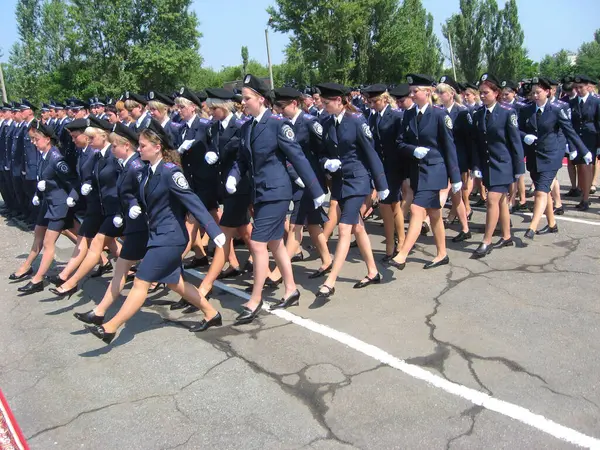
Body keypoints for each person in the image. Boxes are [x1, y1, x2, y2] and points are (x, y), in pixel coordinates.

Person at [85, 120, 226, 343]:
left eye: (142, 146)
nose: (138, 149)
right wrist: (132, 204)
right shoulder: (147, 172)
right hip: (157, 235)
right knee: (174, 283)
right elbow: (133, 193)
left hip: (170, 238)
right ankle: (212, 314)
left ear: (157, 146)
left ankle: (110, 327)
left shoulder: (170, 172)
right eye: (139, 146)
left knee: (141, 281)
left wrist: (213, 229)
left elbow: (192, 201)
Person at [226, 74, 325, 318]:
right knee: (275, 243)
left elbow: (297, 157)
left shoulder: (278, 125)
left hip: (277, 193)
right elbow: (241, 160)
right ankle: (291, 289)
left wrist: (316, 189)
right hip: (260, 193)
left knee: (258, 245)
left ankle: (255, 299)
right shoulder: (247, 127)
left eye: (247, 98)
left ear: (260, 99)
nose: (243, 102)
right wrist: (233, 175)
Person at [311, 82, 388, 299]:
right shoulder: (326, 121)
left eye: (327, 103)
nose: (324, 106)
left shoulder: (356, 120)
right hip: (339, 182)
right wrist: (327, 163)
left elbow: (371, 153)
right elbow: (321, 152)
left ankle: (331, 281)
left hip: (357, 181)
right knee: (358, 227)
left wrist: (381, 185)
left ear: (339, 101)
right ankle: (373, 271)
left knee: (344, 228)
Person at [73, 122, 148, 326]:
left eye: (114, 146)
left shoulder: (136, 166)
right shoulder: (125, 165)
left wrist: (130, 209)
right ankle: (100, 313)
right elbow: (127, 195)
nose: (111, 149)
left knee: (166, 280)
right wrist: (124, 212)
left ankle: (209, 310)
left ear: (126, 146)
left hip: (143, 228)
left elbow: (144, 196)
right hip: (134, 227)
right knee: (123, 270)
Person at [388, 74, 461, 271]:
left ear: (427, 92)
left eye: (415, 91)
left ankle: (402, 254)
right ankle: (442, 253)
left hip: (435, 171)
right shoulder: (409, 115)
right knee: (435, 214)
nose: (411, 95)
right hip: (417, 171)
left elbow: (449, 147)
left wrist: (455, 177)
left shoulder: (439, 115)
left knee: (416, 209)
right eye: (410, 92)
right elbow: (400, 143)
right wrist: (413, 150)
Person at [49, 116, 122, 297]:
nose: (87, 141)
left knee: (105, 244)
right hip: (97, 207)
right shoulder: (94, 154)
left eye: (91, 138)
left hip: (113, 209)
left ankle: (69, 280)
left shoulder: (112, 155)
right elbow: (87, 177)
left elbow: (123, 182)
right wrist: (77, 193)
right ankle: (67, 278)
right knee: (92, 241)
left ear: (103, 136)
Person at [270, 87, 332, 280]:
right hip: (296, 181)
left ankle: (278, 272)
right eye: (277, 107)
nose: (279, 110)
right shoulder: (283, 124)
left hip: (311, 181)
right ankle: (327, 259)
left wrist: (325, 170)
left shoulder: (310, 122)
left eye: (282, 106)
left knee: (295, 226)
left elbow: (324, 148)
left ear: (294, 103)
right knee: (313, 224)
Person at [11, 121, 78, 292]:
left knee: (49, 242)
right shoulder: (43, 155)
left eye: (36, 139)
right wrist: (38, 195)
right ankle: (27, 266)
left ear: (47, 139)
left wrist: (72, 197)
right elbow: (45, 180)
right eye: (32, 139)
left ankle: (38, 279)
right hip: (47, 202)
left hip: (59, 205)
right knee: (38, 235)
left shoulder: (57, 159)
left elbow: (72, 182)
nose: (33, 142)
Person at [519, 77, 589, 238]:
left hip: (551, 155)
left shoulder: (556, 110)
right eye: (533, 93)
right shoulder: (527, 110)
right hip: (534, 155)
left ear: (548, 92)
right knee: (544, 191)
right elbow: (517, 129)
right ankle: (552, 224)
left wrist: (582, 150)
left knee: (540, 191)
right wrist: (525, 136)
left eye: (538, 92)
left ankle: (532, 226)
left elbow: (569, 131)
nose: (535, 96)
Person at [471, 73, 525, 258]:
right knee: (501, 201)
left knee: (492, 200)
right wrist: (476, 165)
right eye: (481, 93)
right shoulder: (478, 114)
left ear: (496, 93)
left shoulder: (507, 112)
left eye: (486, 92)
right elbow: (477, 143)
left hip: (503, 164)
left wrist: (519, 169)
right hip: (487, 165)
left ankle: (486, 241)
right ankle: (507, 235)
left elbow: (515, 142)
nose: (482, 95)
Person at [363, 84, 406, 260]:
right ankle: (399, 240)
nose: (372, 105)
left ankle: (392, 244)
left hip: (394, 167)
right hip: (380, 168)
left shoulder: (396, 116)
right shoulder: (373, 118)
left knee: (386, 204)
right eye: (370, 102)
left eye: (375, 101)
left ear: (385, 99)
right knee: (393, 204)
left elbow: (400, 143)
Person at [435, 76, 473, 242]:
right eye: (438, 92)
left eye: (442, 92)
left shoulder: (462, 112)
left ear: (451, 94)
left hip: (458, 159)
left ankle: (428, 220)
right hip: (443, 158)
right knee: (456, 196)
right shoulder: (438, 111)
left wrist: (471, 164)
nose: (439, 95)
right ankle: (465, 228)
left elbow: (469, 139)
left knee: (447, 191)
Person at [569, 75, 599, 211]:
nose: (579, 90)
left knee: (586, 168)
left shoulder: (596, 102)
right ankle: (583, 195)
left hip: (590, 139)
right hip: (576, 139)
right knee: (580, 168)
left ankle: (586, 199)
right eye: (577, 87)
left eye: (581, 87)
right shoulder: (572, 102)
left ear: (588, 87)